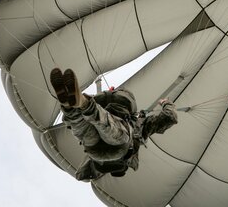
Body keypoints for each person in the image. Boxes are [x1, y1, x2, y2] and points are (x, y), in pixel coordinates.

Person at [50, 67, 178, 181]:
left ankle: (75, 106)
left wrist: (166, 104)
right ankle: (72, 107)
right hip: (100, 152)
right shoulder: (141, 124)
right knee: (86, 128)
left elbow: (169, 118)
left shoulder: (137, 122)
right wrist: (166, 103)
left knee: (90, 125)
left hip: (112, 147)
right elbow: (170, 117)